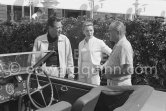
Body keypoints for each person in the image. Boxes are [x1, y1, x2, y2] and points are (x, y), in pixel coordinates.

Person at [78, 21, 112, 85]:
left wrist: (103, 66)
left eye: (91, 30)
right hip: (82, 74)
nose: (89, 33)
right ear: (83, 32)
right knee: (82, 93)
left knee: (94, 93)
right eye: (87, 31)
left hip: (93, 74)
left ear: (93, 30)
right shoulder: (81, 43)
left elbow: (112, 54)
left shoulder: (99, 42)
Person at [104, 20, 133, 86]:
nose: (109, 33)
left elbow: (128, 70)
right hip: (115, 85)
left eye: (110, 31)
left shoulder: (124, 45)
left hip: (120, 86)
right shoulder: (118, 44)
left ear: (117, 32)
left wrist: (109, 75)